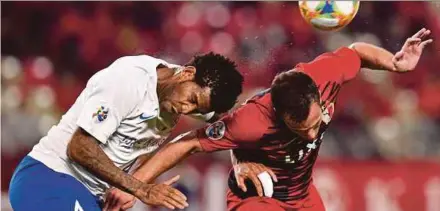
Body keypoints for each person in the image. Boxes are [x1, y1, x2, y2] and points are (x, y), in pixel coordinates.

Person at [104, 28, 433, 211]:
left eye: (316, 123)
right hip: (257, 199)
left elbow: (357, 51)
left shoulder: (326, 74)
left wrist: (395, 63)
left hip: (303, 196)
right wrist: (133, 185)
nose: (312, 134)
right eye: (302, 130)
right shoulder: (252, 121)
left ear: (319, 97)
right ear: (281, 116)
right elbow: (187, 143)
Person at [8, 52, 244, 211]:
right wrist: (139, 188)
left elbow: (232, 121)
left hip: (93, 198)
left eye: (196, 108)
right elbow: (79, 147)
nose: (187, 109)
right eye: (191, 99)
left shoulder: (193, 95)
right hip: (49, 176)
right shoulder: (127, 81)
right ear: (187, 73)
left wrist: (246, 160)